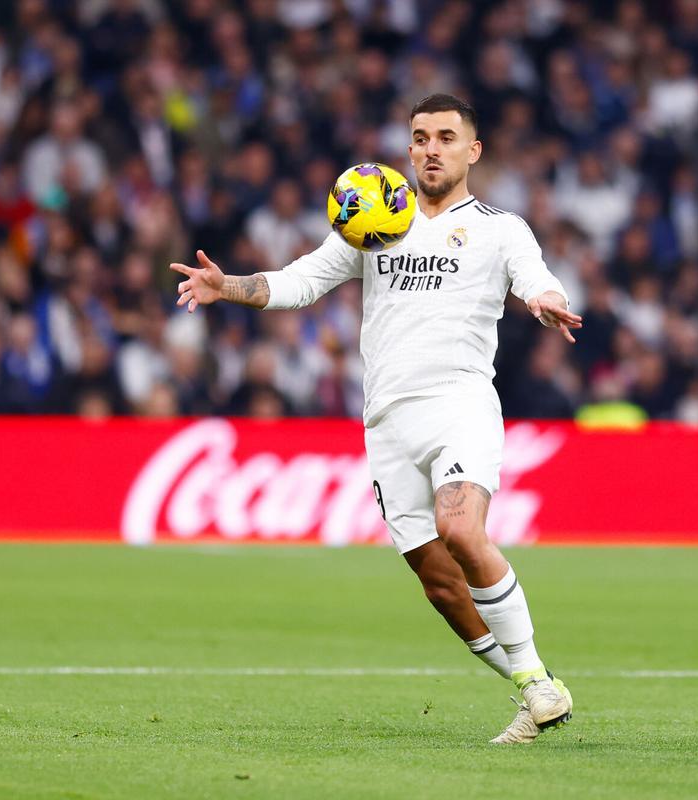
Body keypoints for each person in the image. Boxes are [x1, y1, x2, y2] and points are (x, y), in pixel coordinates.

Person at [170, 94, 581, 744]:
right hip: (387, 422)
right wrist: (232, 286)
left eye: (446, 137)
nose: (431, 149)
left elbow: (535, 278)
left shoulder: (500, 228)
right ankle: (537, 687)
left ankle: (534, 682)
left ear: (472, 150)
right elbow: (302, 280)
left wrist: (546, 302)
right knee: (441, 586)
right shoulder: (377, 220)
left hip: (459, 404)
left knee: (461, 529)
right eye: (420, 137)